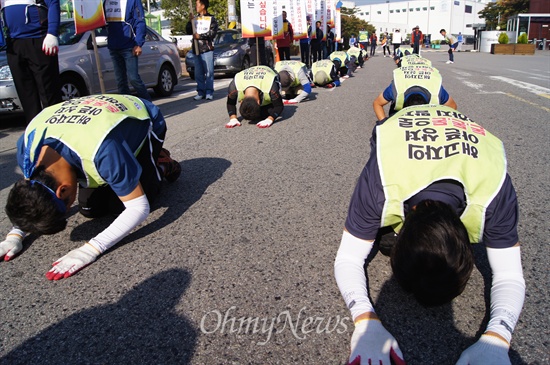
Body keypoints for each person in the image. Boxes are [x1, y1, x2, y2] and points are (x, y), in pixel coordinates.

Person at [336, 104, 525, 365]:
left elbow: (510, 275)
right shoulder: (378, 181)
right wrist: (364, 320)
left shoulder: (496, 189)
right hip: (399, 128)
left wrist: (497, 340)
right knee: (381, 234)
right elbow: (348, 259)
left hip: (457, 138)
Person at [1, 94, 181, 280]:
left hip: (142, 118)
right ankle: (123, 171)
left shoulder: (103, 151)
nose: (71, 208)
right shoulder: (28, 149)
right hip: (89, 127)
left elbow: (138, 208)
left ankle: (161, 164)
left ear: (62, 190)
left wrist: (91, 249)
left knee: (134, 201)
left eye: (67, 208)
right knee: (91, 209)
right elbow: (31, 192)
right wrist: (15, 234)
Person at [1, 0, 62, 123]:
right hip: (14, 43)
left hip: (39, 40)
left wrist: (52, 32)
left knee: (49, 93)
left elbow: (53, 3)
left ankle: (54, 133)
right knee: (26, 95)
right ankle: (34, 133)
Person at [104, 0, 152, 101]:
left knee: (134, 78)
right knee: (120, 81)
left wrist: (138, 43)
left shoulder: (132, 1)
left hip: (129, 46)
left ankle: (149, 105)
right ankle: (127, 108)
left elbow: (140, 22)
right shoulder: (106, 2)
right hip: (113, 46)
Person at [372, 65, 457, 120]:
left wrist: (440, 121)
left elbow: (452, 106)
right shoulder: (396, 89)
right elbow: (377, 103)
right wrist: (384, 123)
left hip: (425, 77)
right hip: (407, 77)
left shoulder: (437, 91)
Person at [186, 0, 218, 100]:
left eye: (198, 4)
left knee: (209, 72)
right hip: (196, 48)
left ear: (203, 6)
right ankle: (200, 91)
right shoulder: (195, 18)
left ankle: (209, 91)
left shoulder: (211, 19)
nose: (196, 7)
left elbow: (212, 33)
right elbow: (188, 30)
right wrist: (189, 21)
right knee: (198, 73)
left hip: (207, 48)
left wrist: (200, 36)